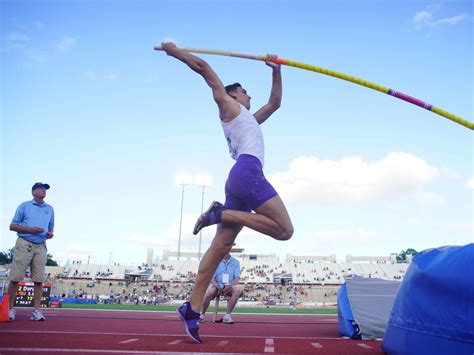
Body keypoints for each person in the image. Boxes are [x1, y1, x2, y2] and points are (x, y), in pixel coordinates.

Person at [161, 42, 294, 344]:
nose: (250, 95)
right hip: (248, 173)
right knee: (284, 230)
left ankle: (192, 308)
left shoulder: (248, 118)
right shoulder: (230, 108)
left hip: (237, 182)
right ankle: (221, 213)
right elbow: (206, 70)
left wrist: (276, 71)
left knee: (220, 247)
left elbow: (274, 103)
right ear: (234, 95)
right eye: (245, 91)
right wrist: (175, 52)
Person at [7, 182, 55, 321]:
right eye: (40, 188)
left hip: (41, 245)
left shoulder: (49, 209)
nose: (43, 191)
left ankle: (37, 311)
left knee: (39, 280)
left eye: (45, 189)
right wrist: (30, 229)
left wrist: (50, 234)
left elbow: (51, 228)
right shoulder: (24, 206)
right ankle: (10, 309)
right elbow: (12, 226)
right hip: (24, 242)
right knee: (16, 278)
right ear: (33, 191)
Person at [199, 252, 242, 324]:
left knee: (237, 290)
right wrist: (218, 286)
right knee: (210, 291)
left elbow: (237, 278)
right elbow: (211, 278)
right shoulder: (215, 261)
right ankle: (201, 315)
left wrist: (229, 286)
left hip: (230, 286)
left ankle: (227, 316)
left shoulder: (235, 262)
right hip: (217, 285)